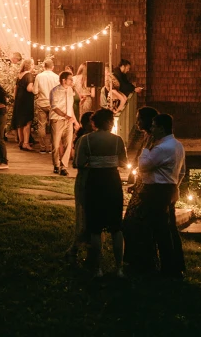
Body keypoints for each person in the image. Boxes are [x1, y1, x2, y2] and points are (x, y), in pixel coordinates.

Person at [75, 108, 128, 277]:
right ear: (110, 122)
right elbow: (123, 162)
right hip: (112, 182)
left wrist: (95, 162)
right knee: (116, 228)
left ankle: (97, 268)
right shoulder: (118, 141)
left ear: (94, 122)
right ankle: (119, 268)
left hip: (94, 182)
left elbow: (79, 163)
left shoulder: (86, 140)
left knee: (95, 228)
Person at [138, 113, 186, 279]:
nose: (151, 129)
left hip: (157, 190)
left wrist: (145, 148)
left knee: (160, 230)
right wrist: (175, 187)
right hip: (169, 188)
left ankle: (167, 268)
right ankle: (176, 265)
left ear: (161, 128)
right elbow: (183, 172)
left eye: (153, 126)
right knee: (170, 228)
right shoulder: (178, 145)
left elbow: (143, 166)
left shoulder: (162, 148)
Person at [122, 106, 159, 271]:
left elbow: (147, 163)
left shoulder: (153, 140)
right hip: (141, 184)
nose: (137, 122)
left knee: (135, 222)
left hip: (148, 187)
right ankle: (134, 258)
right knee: (131, 222)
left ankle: (142, 260)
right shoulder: (146, 137)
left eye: (139, 119)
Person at [67, 111, 95, 259]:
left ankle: (90, 245)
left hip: (94, 179)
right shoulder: (83, 139)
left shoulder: (94, 139)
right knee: (83, 212)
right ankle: (77, 245)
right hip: (84, 178)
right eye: (92, 121)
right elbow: (77, 163)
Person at [50, 69, 79, 175]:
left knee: (68, 144)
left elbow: (70, 107)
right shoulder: (55, 91)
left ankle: (64, 166)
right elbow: (54, 107)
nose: (72, 81)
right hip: (57, 120)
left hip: (68, 120)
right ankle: (56, 165)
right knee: (56, 144)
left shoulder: (71, 90)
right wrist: (65, 116)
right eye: (70, 79)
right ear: (63, 80)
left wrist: (75, 121)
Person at [33, 58, 59, 153]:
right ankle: (53, 147)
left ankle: (43, 147)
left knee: (41, 125)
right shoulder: (56, 77)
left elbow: (35, 91)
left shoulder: (39, 76)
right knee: (54, 126)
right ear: (52, 67)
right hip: (53, 104)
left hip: (42, 102)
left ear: (43, 66)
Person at [11, 58, 35, 151]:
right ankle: (26, 143)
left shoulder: (20, 75)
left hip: (19, 100)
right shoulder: (29, 75)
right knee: (27, 122)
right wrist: (36, 89)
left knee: (20, 122)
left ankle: (21, 142)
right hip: (26, 100)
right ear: (30, 65)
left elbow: (15, 89)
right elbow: (29, 88)